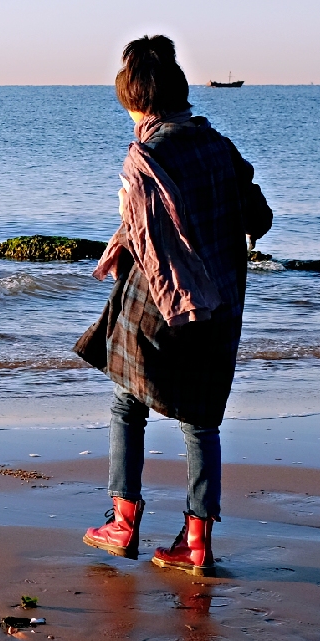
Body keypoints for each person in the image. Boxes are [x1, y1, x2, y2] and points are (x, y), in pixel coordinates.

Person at [75, 35, 272, 573]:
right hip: (222, 304)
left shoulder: (145, 155)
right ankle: (198, 540)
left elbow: (143, 239)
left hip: (161, 302)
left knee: (125, 405)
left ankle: (122, 521)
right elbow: (261, 220)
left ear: (138, 104)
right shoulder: (221, 149)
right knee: (201, 421)